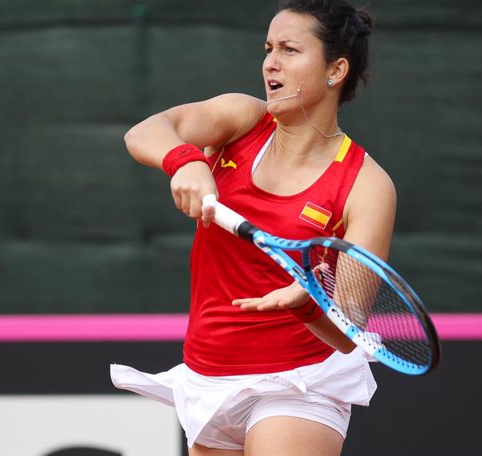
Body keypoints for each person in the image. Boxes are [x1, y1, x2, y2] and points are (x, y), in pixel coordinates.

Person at [111, 1, 396, 455]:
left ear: (335, 69)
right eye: (267, 49)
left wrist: (308, 305)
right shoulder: (240, 118)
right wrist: (185, 161)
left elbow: (348, 329)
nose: (270, 63)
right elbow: (146, 132)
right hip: (208, 373)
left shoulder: (367, 185)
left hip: (299, 383)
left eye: (289, 49)